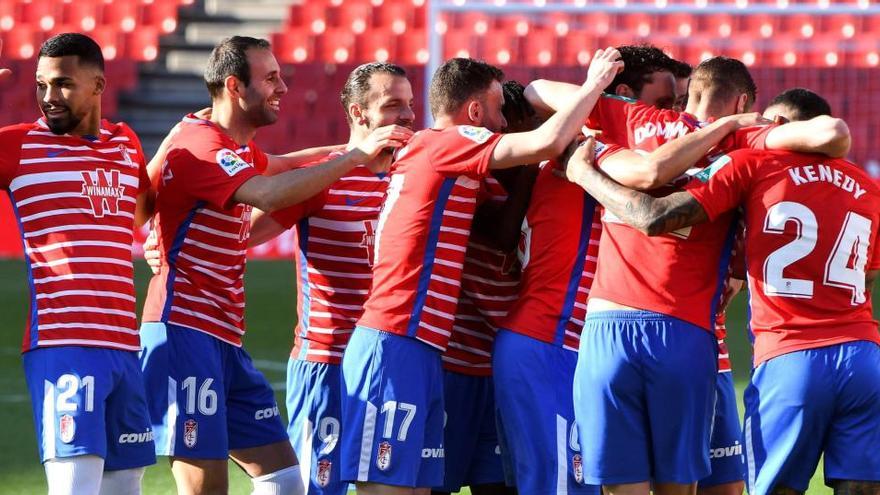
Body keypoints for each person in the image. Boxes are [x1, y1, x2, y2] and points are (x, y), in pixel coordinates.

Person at [527, 56, 851, 495]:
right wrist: (740, 126)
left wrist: (594, 88)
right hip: (683, 333)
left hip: (605, 328)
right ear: (739, 101)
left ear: (689, 93)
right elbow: (831, 134)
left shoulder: (627, 115)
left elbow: (535, 89)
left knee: (620, 487)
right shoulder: (743, 138)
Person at [339, 50, 624, 495]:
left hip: (422, 345)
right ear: (474, 113)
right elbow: (546, 143)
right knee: (388, 487)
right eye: (495, 110)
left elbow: (503, 229)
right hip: (394, 340)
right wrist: (595, 85)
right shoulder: (449, 142)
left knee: (413, 487)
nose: (503, 122)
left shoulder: (438, 158)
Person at [138, 36, 411, 495]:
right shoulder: (201, 144)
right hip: (184, 328)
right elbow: (266, 194)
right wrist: (355, 156)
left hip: (223, 336)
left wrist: (356, 150)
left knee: (284, 479)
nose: (283, 87)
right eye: (270, 78)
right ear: (234, 86)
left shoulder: (235, 147)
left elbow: (282, 164)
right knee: (206, 489)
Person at [0, 33, 156, 495]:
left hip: (126, 349)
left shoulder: (126, 144)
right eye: (41, 86)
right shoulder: (17, 147)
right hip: (63, 345)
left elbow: (142, 208)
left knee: (126, 486)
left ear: (99, 85)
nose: (49, 98)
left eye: (63, 84)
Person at [433, 80, 537, 495]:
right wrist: (533, 165)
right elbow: (502, 235)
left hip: (506, 372)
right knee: (435, 484)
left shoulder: (540, 191)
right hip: (456, 367)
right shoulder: (468, 182)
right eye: (531, 128)